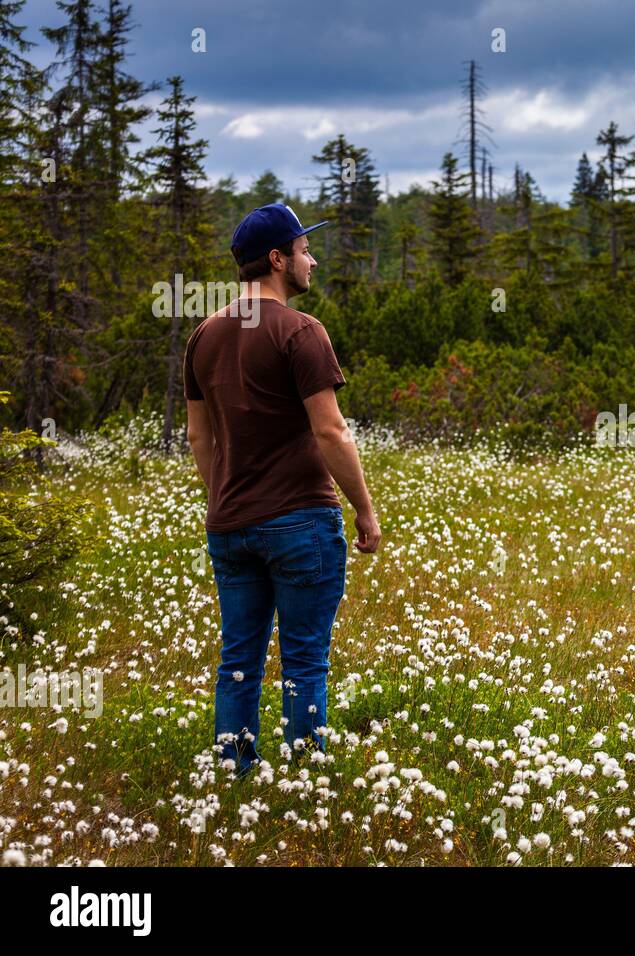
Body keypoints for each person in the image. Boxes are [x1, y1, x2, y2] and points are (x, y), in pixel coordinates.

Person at [183, 202, 381, 777]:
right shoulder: (301, 331)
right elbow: (331, 430)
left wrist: (225, 493)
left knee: (238, 659)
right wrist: (364, 510)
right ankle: (306, 786)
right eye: (303, 251)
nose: (311, 260)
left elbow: (199, 437)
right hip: (301, 522)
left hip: (230, 524)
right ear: (277, 259)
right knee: (303, 660)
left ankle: (236, 773)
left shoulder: (204, 335)